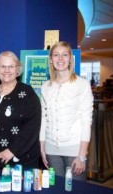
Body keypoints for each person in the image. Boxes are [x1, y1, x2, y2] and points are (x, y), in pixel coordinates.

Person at [39, 41, 94, 181]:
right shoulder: (46, 86)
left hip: (74, 150)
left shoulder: (82, 85)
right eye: (56, 55)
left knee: (76, 190)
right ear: (51, 60)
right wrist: (42, 148)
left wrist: (82, 156)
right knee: (56, 189)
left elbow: (86, 121)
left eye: (65, 55)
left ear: (70, 59)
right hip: (51, 149)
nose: (60, 59)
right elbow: (44, 119)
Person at [0, 51, 42, 173]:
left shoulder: (27, 93)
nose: (6, 70)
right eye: (3, 66)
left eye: (11, 66)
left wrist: (11, 151)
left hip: (21, 161)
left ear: (18, 69)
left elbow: (32, 127)